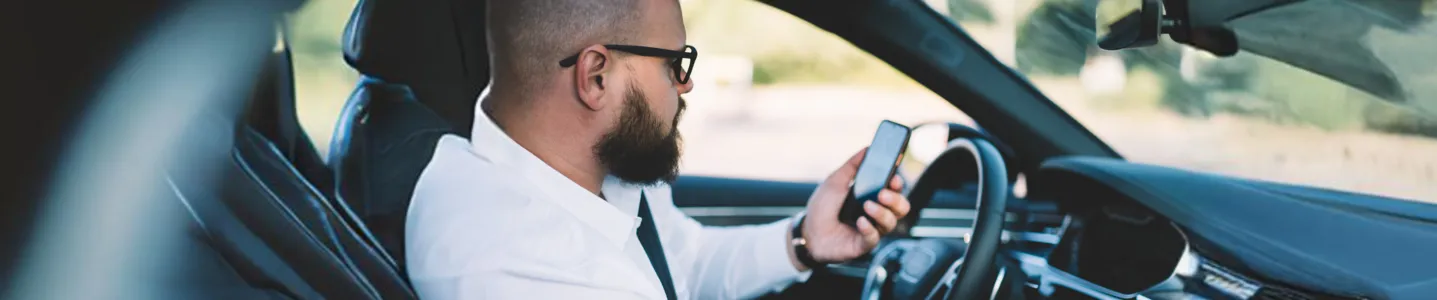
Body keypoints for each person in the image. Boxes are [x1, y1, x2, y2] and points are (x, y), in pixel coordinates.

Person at [404, 0, 912, 298]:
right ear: (595, 76)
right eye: (674, 62)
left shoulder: (586, 172)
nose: (685, 84)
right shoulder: (514, 269)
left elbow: (682, 264)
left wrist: (804, 240)